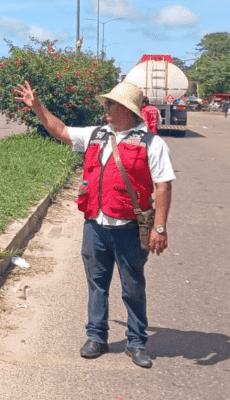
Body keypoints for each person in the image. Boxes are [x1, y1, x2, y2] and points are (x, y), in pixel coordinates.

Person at [14, 80, 175, 369]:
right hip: (95, 226)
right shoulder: (96, 135)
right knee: (96, 285)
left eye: (111, 104)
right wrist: (37, 107)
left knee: (133, 287)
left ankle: (136, 342)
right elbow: (60, 130)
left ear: (127, 110)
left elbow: (163, 187)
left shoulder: (153, 143)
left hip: (129, 228)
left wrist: (159, 228)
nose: (106, 109)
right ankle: (96, 337)